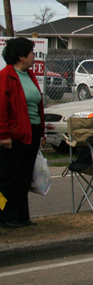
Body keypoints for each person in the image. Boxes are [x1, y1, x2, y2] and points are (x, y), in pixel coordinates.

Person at [0, 38, 45, 228]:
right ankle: (5, 216)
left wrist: (41, 132)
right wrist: (4, 134)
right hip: (14, 133)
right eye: (31, 53)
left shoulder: (30, 75)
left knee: (25, 175)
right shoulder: (6, 76)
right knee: (9, 175)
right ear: (21, 56)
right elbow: (1, 108)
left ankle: (22, 216)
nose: (33, 57)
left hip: (32, 130)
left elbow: (37, 104)